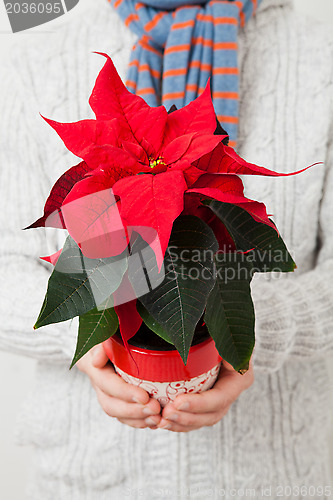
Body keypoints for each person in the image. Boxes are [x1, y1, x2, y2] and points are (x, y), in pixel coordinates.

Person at [1, 0, 333, 498]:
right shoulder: (38, 44)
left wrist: (248, 335)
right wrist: (89, 336)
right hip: (90, 482)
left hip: (275, 480)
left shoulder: (320, 47)